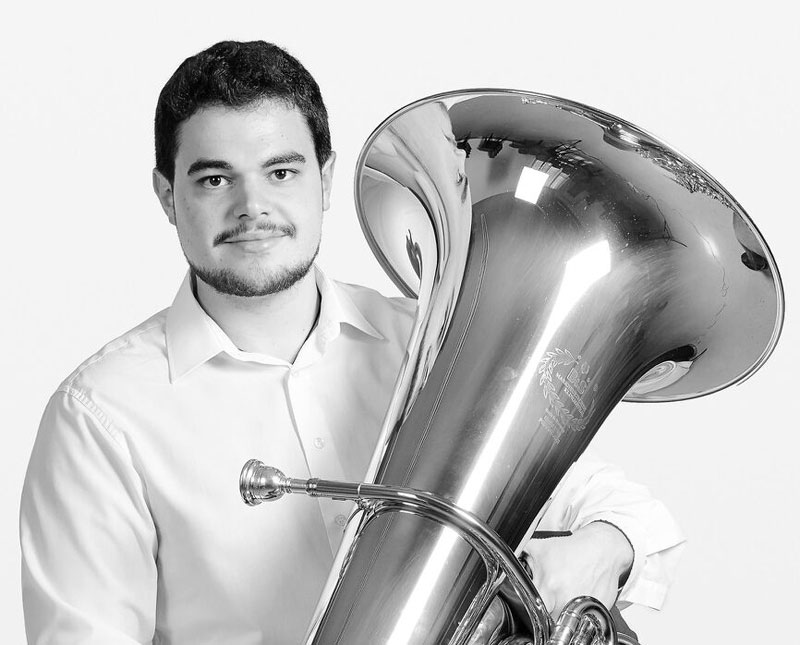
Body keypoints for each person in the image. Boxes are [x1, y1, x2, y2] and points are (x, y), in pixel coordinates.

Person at [20, 40, 685, 644]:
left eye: (281, 172)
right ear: (168, 195)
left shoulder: (430, 346)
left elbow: (624, 509)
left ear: (325, 178)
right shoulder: (102, 416)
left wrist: (602, 548)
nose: (252, 206)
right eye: (215, 179)